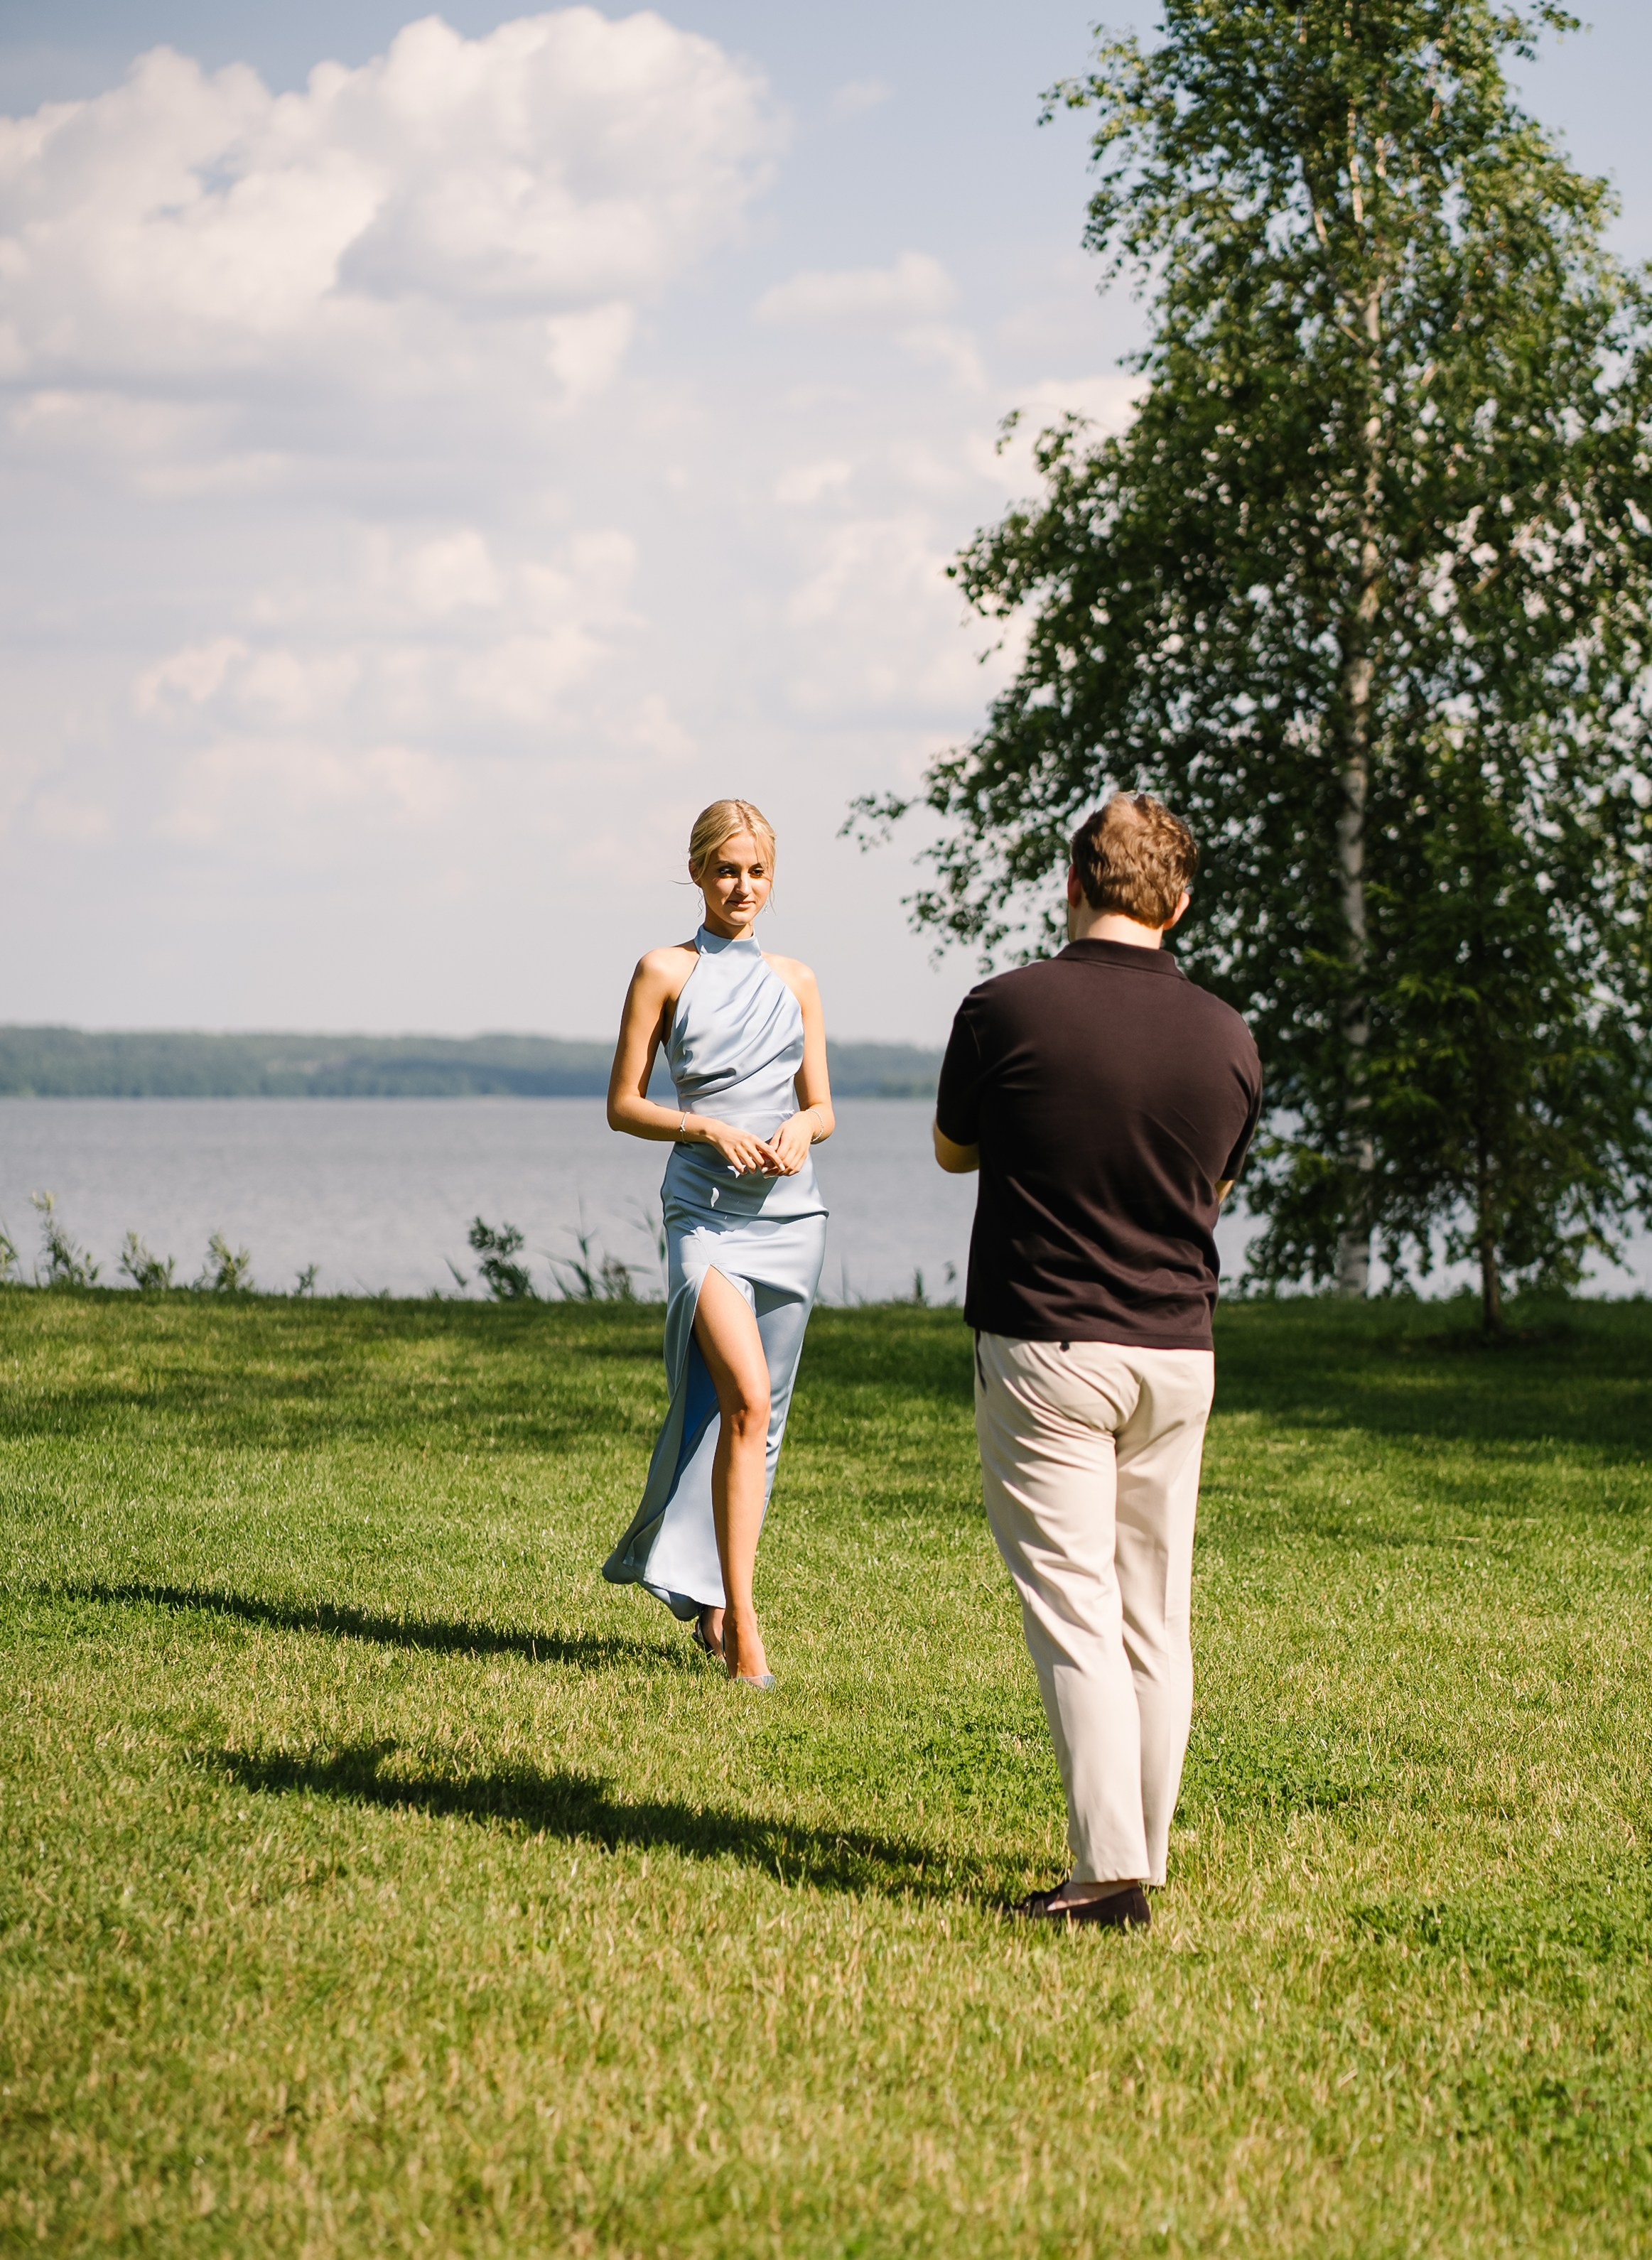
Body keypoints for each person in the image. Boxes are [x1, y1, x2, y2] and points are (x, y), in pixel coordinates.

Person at [934, 792, 1261, 1928]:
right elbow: (1211, 1186)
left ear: (1072, 881)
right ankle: (1139, 1854)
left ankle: (1108, 1876)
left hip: (1047, 1343)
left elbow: (950, 1150)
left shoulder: (1002, 1006)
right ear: (1179, 902)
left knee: (1074, 1610)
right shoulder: (1229, 1033)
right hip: (1178, 1351)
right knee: (1151, 1616)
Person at [602, 799, 833, 1687]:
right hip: (704, 1218)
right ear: (698, 872)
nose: (744, 886)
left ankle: (713, 1600)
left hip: (791, 1219)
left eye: (758, 872)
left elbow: (823, 1104)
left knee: (757, 1423)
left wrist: (801, 1132)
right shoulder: (664, 969)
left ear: (773, 879)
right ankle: (745, 1632)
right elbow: (624, 1104)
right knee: (744, 1395)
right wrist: (704, 1130)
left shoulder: (800, 978)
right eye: (727, 869)